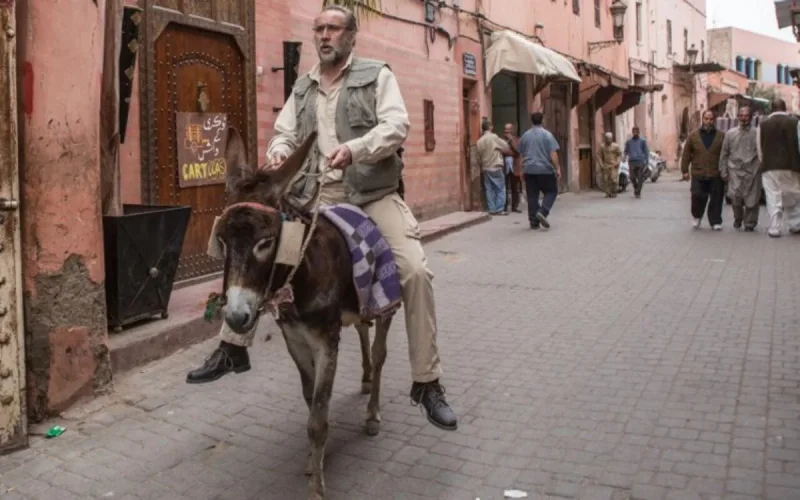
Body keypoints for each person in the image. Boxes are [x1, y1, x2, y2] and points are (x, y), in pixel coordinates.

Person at [185, 5, 458, 431]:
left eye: (333, 28)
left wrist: (355, 149)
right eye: (319, 29)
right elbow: (284, 132)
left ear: (351, 36)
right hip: (317, 198)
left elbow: (396, 126)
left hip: (371, 196)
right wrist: (279, 151)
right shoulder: (303, 87)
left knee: (415, 272)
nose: (324, 35)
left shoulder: (377, 75)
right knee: (258, 246)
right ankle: (232, 347)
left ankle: (427, 382)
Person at [757, 98, 800, 237]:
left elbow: (759, 147)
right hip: (792, 165)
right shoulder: (795, 122)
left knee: (773, 196)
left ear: (772, 109)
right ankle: (795, 224)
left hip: (770, 166)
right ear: (785, 108)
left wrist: (764, 161)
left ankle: (775, 227)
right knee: (794, 195)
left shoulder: (763, 124)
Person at [681, 110, 726, 230]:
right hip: (698, 172)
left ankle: (715, 221)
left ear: (714, 120)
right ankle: (697, 216)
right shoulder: (693, 136)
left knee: (716, 198)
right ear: (702, 119)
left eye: (711, 119)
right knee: (697, 195)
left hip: (716, 173)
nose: (708, 121)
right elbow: (686, 154)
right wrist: (685, 171)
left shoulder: (721, 136)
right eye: (706, 119)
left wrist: (726, 171)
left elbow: (726, 154)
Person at [719, 106, 761, 231]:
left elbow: (762, 152)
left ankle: (750, 223)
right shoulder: (730, 133)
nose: (743, 118)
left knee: (752, 200)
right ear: (738, 117)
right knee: (735, 198)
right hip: (735, 171)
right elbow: (724, 153)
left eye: (746, 116)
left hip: (752, 171)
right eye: (741, 116)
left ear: (751, 117)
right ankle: (738, 217)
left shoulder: (757, 133)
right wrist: (723, 171)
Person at [518, 112, 561, 230]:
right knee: (551, 191)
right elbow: (553, 153)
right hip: (545, 169)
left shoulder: (525, 136)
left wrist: (521, 170)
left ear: (531, 121)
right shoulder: (547, 135)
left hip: (529, 169)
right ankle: (543, 211)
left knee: (532, 195)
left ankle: (534, 221)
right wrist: (557, 168)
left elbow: (521, 155)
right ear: (542, 120)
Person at [476, 119, 511, 215]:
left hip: (485, 167)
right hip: (495, 166)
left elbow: (478, 157)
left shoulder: (479, 141)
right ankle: (499, 209)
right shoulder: (494, 137)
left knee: (489, 189)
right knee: (500, 188)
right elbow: (506, 146)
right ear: (490, 127)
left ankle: (491, 209)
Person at [623, 126, 650, 198]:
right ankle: (635, 186)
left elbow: (646, 152)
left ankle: (638, 193)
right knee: (632, 177)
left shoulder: (642, 141)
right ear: (632, 132)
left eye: (636, 131)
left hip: (640, 161)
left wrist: (647, 162)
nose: (635, 133)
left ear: (638, 132)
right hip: (632, 161)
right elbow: (626, 151)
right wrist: (624, 157)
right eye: (634, 131)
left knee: (640, 177)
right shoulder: (629, 141)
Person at [503, 123, 522, 213]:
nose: (506, 131)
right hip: (505, 167)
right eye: (505, 129)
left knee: (515, 188)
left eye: (508, 129)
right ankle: (504, 206)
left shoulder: (517, 140)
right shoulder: (502, 140)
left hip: (514, 167)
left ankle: (515, 206)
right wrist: (511, 153)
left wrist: (511, 140)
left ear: (512, 130)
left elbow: (518, 150)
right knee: (504, 188)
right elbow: (502, 151)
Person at [597, 132, 622, 198]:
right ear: (605, 139)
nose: (609, 140)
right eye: (607, 138)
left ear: (612, 139)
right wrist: (601, 165)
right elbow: (599, 156)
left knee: (614, 179)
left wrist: (617, 162)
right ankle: (608, 193)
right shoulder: (602, 146)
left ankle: (614, 192)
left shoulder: (616, 146)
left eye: (610, 138)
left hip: (614, 165)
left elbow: (619, 155)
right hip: (606, 165)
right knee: (606, 180)